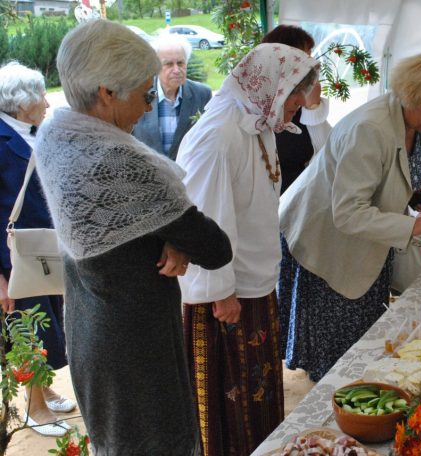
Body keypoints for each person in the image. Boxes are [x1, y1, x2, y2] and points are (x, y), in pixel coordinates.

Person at [33, 20, 232, 455]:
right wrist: (180, 238)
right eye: (144, 94)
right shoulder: (124, 165)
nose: (147, 107)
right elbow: (216, 249)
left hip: (88, 332)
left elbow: (128, 232)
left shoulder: (54, 135)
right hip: (137, 348)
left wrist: (173, 238)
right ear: (106, 93)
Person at [278, 52, 421, 381]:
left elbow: (390, 178)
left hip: (362, 244)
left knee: (363, 341)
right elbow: (348, 212)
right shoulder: (370, 128)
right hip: (326, 244)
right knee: (337, 363)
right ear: (413, 93)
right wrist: (414, 224)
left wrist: (418, 199)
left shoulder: (414, 122)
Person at [176, 43, 318, 455]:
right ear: (269, 85)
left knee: (259, 401)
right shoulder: (219, 136)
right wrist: (221, 292)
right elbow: (206, 219)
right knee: (227, 411)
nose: (301, 103)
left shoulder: (258, 124)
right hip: (225, 299)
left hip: (253, 287)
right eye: (295, 91)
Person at [0, 61, 75, 437]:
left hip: (43, 248)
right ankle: (34, 408)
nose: (47, 102)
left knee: (48, 322)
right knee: (28, 332)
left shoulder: (32, 130)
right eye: (41, 95)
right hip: (13, 259)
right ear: (20, 101)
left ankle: (43, 388)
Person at [261, 24, 332, 193]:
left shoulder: (298, 104)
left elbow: (328, 155)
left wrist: (313, 109)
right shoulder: (262, 108)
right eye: (304, 60)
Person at [132, 33, 212, 160]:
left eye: (180, 63)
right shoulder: (138, 93)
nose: (176, 70)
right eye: (169, 64)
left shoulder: (202, 95)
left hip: (188, 175)